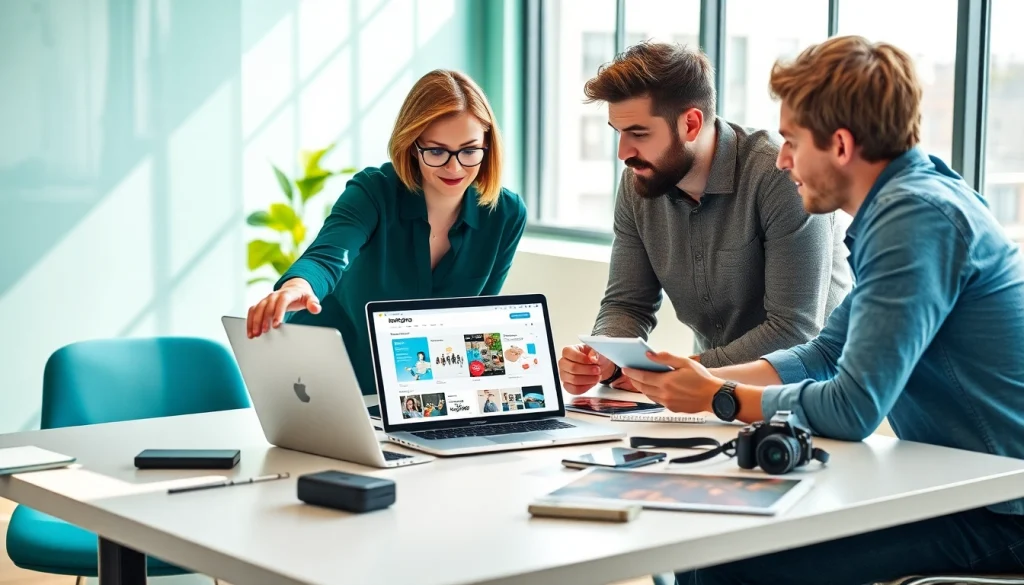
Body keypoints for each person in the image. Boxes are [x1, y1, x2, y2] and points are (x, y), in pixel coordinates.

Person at [617, 36, 1024, 584]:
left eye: (791, 141)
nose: (782, 161)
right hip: (963, 486)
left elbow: (854, 408)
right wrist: (692, 380)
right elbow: (826, 352)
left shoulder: (915, 221)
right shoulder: (911, 202)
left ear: (839, 144)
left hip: (1002, 515)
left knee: (718, 562)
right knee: (700, 540)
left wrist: (718, 396)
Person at [557, 42, 852, 395]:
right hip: (709, 399)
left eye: (639, 134)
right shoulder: (639, 182)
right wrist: (606, 355)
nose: (624, 153)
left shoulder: (779, 175)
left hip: (804, 397)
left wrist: (681, 372)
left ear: (691, 124)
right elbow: (627, 303)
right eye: (618, 133)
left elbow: (793, 331)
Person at [246, 69, 528, 396]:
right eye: (436, 151)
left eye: (469, 151)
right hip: (318, 386)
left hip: (414, 397)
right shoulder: (373, 192)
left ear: (487, 146)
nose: (455, 168)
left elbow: (475, 320)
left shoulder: (505, 215)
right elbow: (328, 255)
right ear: (411, 146)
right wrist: (298, 286)